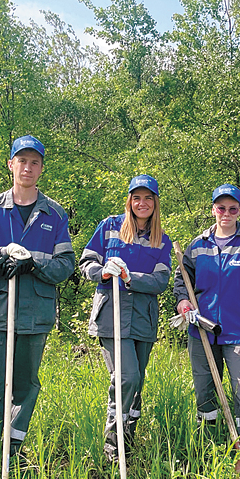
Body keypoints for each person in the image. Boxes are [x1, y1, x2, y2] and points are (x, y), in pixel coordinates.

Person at [0, 135, 75, 467]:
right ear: (11, 164)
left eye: (34, 162)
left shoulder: (54, 214)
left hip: (34, 314)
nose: (27, 168)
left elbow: (65, 266)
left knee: (25, 387)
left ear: (41, 168)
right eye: (22, 161)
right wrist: (4, 253)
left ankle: (10, 452)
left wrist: (35, 264)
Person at [174, 184, 240, 462]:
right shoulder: (197, 245)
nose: (226, 213)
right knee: (205, 395)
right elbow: (180, 281)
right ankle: (210, 452)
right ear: (213, 210)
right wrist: (183, 303)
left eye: (232, 209)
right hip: (202, 332)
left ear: (239, 211)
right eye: (221, 208)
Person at [79, 175, 172, 462]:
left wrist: (131, 278)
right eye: (136, 197)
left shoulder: (162, 240)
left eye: (148, 198)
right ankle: (112, 448)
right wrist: (104, 271)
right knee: (126, 377)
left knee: (136, 382)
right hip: (112, 315)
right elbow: (86, 262)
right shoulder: (109, 227)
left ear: (155, 203)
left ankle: (128, 437)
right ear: (129, 200)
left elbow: (160, 281)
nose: (141, 203)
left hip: (143, 318)